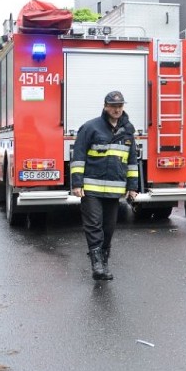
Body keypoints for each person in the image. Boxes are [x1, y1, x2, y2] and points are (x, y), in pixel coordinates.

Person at [71, 91, 139, 280]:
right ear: (105, 106)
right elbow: (78, 157)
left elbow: (132, 162)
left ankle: (104, 260)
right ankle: (97, 265)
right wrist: (77, 184)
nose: (117, 109)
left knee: (108, 228)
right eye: (113, 105)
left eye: (120, 106)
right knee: (94, 226)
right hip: (91, 188)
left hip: (114, 190)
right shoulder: (90, 127)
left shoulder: (127, 130)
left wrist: (133, 187)